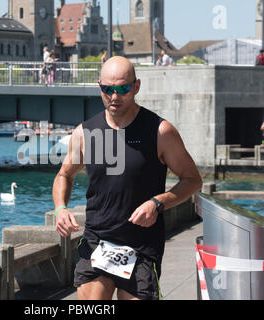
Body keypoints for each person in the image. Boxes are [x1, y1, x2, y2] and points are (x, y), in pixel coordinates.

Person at [52, 56, 202, 300]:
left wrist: (157, 202)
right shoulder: (85, 133)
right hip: (98, 242)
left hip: (141, 246)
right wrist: (60, 208)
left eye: (122, 89)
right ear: (99, 86)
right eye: (107, 89)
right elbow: (64, 175)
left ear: (136, 87)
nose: (114, 96)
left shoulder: (160, 132)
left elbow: (192, 179)